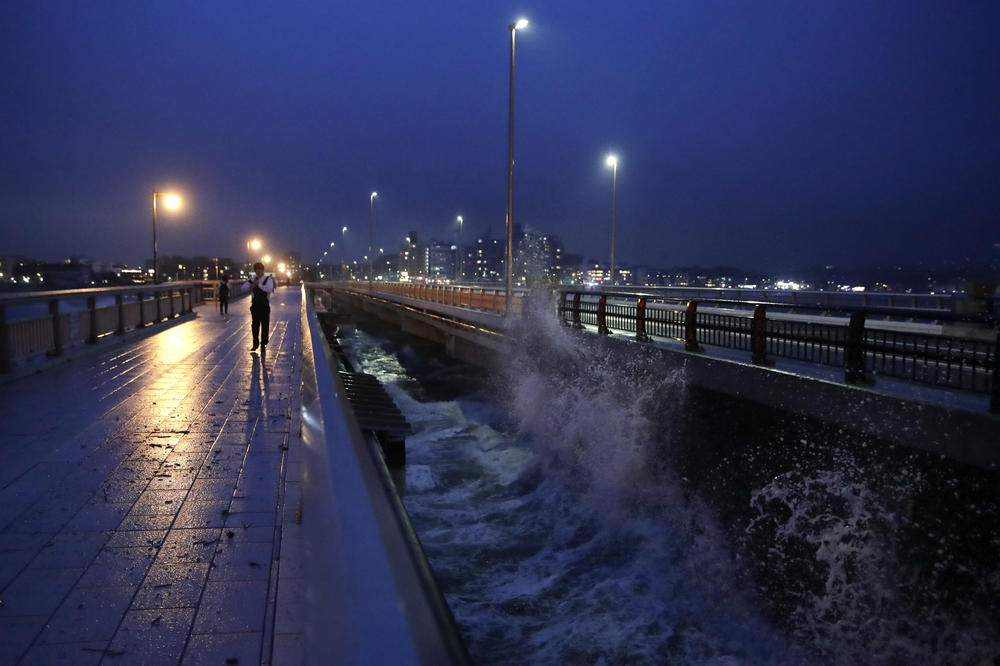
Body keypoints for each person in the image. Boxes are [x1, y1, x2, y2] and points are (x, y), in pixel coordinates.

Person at [242, 262, 275, 352]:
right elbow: (243, 287)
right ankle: (255, 343)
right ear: (255, 271)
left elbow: (269, 288)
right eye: (257, 270)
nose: (258, 272)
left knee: (265, 325)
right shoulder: (253, 279)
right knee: (255, 325)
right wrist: (250, 286)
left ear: (263, 270)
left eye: (260, 270)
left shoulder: (268, 279)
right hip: (255, 306)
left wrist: (258, 285)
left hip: (264, 305)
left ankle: (263, 343)